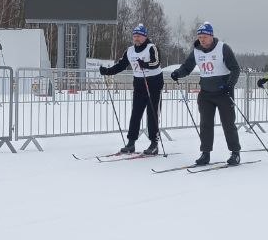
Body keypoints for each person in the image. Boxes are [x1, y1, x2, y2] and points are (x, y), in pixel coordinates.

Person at [169, 22, 242, 166]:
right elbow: (187, 67)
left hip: (223, 92)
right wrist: (178, 73)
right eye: (200, 37)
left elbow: (235, 69)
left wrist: (229, 85)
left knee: (228, 124)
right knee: (205, 124)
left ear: (211, 36)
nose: (202, 39)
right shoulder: (197, 50)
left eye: (204, 37)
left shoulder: (223, 48)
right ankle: (205, 153)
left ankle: (235, 153)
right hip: (206, 93)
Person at [99, 23, 163, 155]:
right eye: (134, 36)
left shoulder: (152, 47)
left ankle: (154, 144)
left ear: (145, 37)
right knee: (135, 114)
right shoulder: (130, 51)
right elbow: (121, 65)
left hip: (153, 83)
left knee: (152, 115)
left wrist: (145, 64)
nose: (136, 39)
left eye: (139, 36)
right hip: (139, 84)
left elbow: (156, 62)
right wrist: (107, 71)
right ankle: (131, 143)